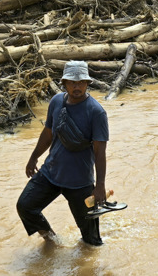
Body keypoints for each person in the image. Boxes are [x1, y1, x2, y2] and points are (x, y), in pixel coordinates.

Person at [16, 61, 109, 246]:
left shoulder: (96, 112)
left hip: (79, 181)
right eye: (73, 82)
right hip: (51, 172)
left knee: (91, 241)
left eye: (82, 82)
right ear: (64, 83)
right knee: (25, 206)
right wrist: (34, 157)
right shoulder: (57, 101)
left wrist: (99, 186)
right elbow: (48, 133)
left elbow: (100, 152)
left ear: (87, 83)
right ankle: (52, 241)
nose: (77, 86)